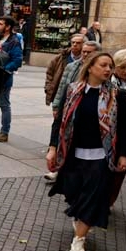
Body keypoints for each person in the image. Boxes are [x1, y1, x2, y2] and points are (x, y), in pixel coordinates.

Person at [46, 52, 126, 251]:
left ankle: (79, 240)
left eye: (110, 66)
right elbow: (60, 122)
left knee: (92, 197)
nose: (108, 69)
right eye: (103, 65)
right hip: (73, 154)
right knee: (74, 193)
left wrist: (124, 155)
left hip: (102, 156)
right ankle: (80, 217)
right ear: (90, 67)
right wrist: (53, 147)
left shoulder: (117, 95)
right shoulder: (73, 90)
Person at [45, 40, 101, 183]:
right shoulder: (72, 66)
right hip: (68, 105)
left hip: (84, 110)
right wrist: (56, 105)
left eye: (90, 52)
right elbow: (63, 86)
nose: (86, 54)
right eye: (84, 51)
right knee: (62, 135)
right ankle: (58, 169)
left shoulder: (98, 70)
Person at [0, 16, 23, 142]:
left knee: (4, 104)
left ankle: (4, 132)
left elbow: (17, 60)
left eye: (1, 24)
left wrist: (4, 69)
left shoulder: (14, 41)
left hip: (4, 78)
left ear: (8, 27)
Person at [109, 49, 126, 207]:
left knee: (118, 174)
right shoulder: (106, 82)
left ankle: (108, 202)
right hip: (107, 135)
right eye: (123, 67)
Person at [45, 34, 84, 106]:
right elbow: (49, 73)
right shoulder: (60, 58)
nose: (75, 45)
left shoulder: (86, 60)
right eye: (73, 42)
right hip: (60, 93)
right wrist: (48, 88)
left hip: (76, 95)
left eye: (78, 43)